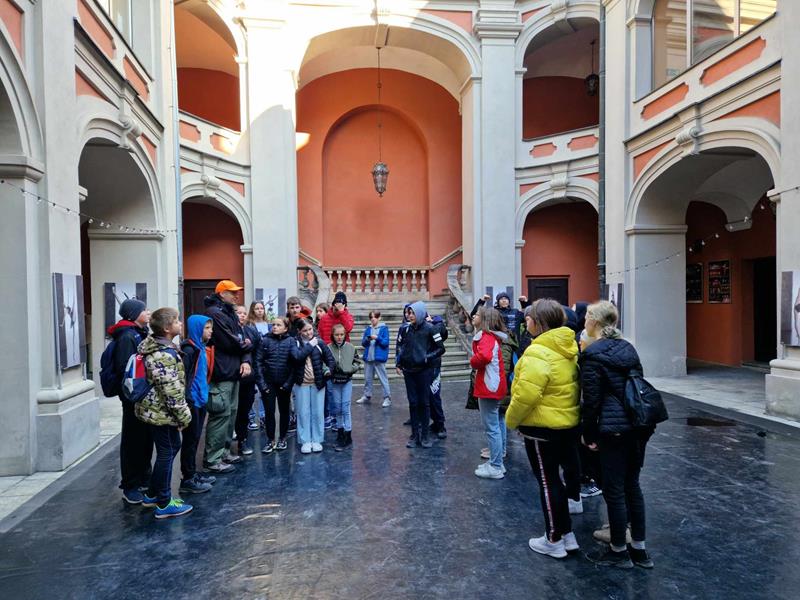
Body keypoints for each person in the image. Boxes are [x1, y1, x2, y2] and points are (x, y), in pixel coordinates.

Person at [581, 301, 655, 569]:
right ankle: (640, 550)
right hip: (637, 424)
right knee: (632, 486)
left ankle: (618, 550)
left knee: (613, 489)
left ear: (594, 321)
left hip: (612, 428)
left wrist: (588, 434)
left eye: (587, 317)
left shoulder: (592, 354)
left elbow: (591, 401)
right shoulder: (627, 348)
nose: (584, 321)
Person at [506, 299, 581, 559]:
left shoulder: (538, 351)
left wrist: (511, 420)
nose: (525, 320)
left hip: (541, 428)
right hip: (565, 423)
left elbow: (525, 395)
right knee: (556, 481)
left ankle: (553, 539)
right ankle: (567, 534)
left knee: (548, 483)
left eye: (529, 317)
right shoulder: (566, 346)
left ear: (539, 322)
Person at [135, 308, 193, 519]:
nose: (180, 324)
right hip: (161, 413)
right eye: (177, 321)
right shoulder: (163, 355)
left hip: (156, 411)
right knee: (167, 452)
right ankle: (164, 502)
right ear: (167, 328)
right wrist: (184, 416)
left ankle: (152, 494)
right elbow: (171, 391)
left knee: (170, 448)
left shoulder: (160, 348)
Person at [203, 280, 252, 474]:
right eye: (232, 292)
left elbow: (241, 337)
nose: (236, 295)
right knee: (221, 415)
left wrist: (245, 356)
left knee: (230, 414)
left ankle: (223, 453)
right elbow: (231, 341)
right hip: (222, 371)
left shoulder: (228, 312)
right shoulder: (215, 313)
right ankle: (213, 459)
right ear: (222, 294)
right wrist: (246, 345)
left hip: (232, 371)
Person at [107, 298, 153, 504]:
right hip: (133, 396)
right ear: (134, 314)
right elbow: (126, 369)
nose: (148, 312)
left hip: (142, 394)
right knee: (133, 440)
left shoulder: (138, 332)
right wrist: (135, 394)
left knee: (144, 438)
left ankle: (144, 478)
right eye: (144, 310)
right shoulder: (127, 336)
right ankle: (130, 484)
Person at [396, 302, 446, 449]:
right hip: (409, 371)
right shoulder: (405, 329)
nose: (409, 316)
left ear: (419, 313)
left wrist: (426, 357)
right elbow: (400, 346)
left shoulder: (431, 328)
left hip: (424, 371)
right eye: (408, 313)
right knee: (413, 403)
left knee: (424, 403)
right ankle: (414, 435)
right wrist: (399, 362)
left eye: (412, 313)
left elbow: (441, 349)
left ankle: (424, 435)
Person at [178, 315, 216, 495]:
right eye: (207, 328)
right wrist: (188, 400)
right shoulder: (189, 349)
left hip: (200, 398)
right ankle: (187, 478)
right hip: (192, 400)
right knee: (190, 439)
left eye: (210, 327)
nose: (210, 331)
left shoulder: (200, 347)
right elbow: (185, 377)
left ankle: (192, 473)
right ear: (197, 329)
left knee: (195, 438)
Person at [470, 307, 508, 479]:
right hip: (494, 385)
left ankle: (495, 466)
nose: (473, 316)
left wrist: (472, 361)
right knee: (497, 424)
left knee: (492, 428)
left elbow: (483, 357)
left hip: (489, 386)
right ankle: (497, 461)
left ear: (484, 319)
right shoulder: (491, 337)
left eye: (477, 315)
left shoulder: (486, 337)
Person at [291, 319, 335, 453]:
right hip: (301, 383)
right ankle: (305, 440)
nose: (308, 332)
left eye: (310, 329)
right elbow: (297, 357)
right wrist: (310, 345)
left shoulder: (320, 343)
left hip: (318, 383)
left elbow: (330, 360)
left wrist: (328, 371)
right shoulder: (294, 343)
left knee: (318, 412)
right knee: (303, 412)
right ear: (299, 331)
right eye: (305, 330)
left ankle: (317, 439)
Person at [255, 317, 295, 454]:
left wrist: (288, 384)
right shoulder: (265, 340)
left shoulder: (291, 341)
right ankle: (270, 439)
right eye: (274, 325)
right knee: (269, 412)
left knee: (284, 412)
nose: (275, 327)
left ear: (286, 328)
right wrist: (262, 384)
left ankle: (282, 438)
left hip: (284, 383)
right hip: (268, 383)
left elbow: (294, 364)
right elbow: (258, 362)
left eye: (278, 325)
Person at [329, 323, 361, 451]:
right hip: (335, 381)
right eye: (337, 334)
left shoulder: (351, 347)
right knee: (337, 408)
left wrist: (350, 369)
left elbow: (357, 362)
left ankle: (348, 436)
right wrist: (327, 371)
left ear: (345, 335)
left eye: (342, 334)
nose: (339, 337)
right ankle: (340, 433)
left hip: (347, 381)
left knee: (345, 407)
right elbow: (324, 362)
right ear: (332, 335)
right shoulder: (328, 348)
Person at [234, 305, 261, 456]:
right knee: (232, 410)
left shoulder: (251, 331)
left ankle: (242, 439)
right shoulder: (229, 331)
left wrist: (255, 373)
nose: (242, 315)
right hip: (233, 376)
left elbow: (257, 353)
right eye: (239, 313)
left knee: (244, 410)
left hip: (249, 378)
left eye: (244, 313)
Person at [357, 310, 391, 406]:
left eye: (375, 317)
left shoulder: (384, 328)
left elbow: (385, 343)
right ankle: (367, 395)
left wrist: (377, 338)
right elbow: (363, 343)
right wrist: (368, 339)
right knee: (367, 379)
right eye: (371, 317)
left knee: (383, 379)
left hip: (378, 358)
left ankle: (387, 397)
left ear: (379, 318)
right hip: (368, 358)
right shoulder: (368, 329)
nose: (373, 319)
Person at [427, 312, 450, 438]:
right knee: (427, 397)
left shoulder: (434, 326)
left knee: (434, 395)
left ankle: (440, 424)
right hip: (423, 367)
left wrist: (427, 357)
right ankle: (435, 422)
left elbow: (441, 346)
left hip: (433, 365)